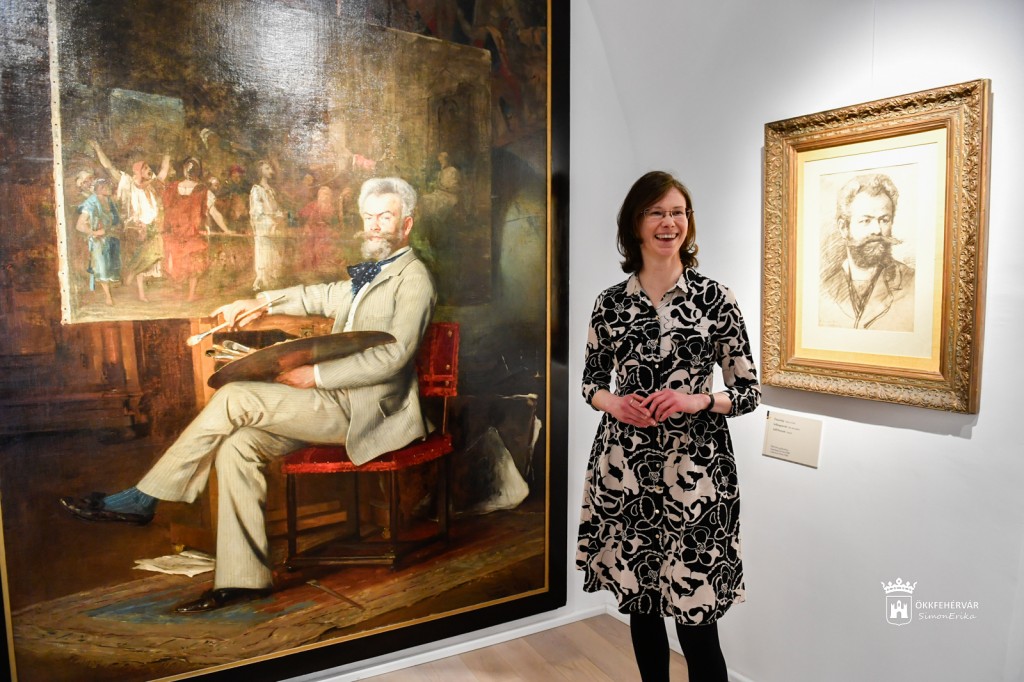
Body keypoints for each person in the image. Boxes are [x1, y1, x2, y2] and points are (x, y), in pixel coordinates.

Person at [60, 177, 436, 613]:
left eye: (385, 217)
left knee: (235, 396)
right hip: (335, 404)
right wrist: (257, 303)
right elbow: (319, 295)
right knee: (237, 446)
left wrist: (315, 374)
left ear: (406, 224)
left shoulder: (415, 279)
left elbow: (393, 358)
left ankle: (145, 498)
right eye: (369, 217)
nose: (374, 226)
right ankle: (244, 579)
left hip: (370, 412)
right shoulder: (371, 273)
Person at [577, 171, 760, 682]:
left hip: (697, 475)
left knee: (697, 622)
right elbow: (590, 382)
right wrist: (615, 404)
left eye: (678, 212)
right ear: (634, 224)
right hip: (625, 471)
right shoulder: (610, 302)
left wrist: (696, 399)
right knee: (642, 608)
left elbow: (748, 392)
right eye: (656, 212)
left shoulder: (716, 299)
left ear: (689, 222)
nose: (669, 223)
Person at [819, 173, 915, 330]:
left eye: (884, 220)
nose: (877, 230)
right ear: (844, 228)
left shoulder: (913, 283)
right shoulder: (824, 289)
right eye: (866, 220)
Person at [90, 140, 171, 301]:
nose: (149, 170)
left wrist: (167, 154)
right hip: (135, 227)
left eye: (149, 168)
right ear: (138, 171)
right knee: (141, 255)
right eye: (145, 168)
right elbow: (109, 168)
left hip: (151, 226)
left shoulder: (152, 185)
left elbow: (163, 171)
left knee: (154, 253)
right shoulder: (128, 183)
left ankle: (134, 278)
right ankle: (138, 288)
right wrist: (98, 149)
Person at [162, 157, 233, 302]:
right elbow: (165, 210)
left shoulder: (200, 190)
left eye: (192, 167)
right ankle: (184, 294)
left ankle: (189, 295)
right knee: (184, 264)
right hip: (180, 234)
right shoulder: (176, 188)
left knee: (192, 263)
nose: (190, 170)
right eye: (190, 166)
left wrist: (226, 230)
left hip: (189, 233)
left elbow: (214, 213)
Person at [75, 177, 122, 306]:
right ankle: (108, 296)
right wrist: (95, 233)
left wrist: (115, 227)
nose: (111, 188)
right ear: (100, 188)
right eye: (108, 186)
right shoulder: (91, 202)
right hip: (98, 241)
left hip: (111, 237)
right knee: (102, 267)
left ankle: (110, 292)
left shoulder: (109, 201)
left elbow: (116, 219)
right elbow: (79, 225)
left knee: (112, 265)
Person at [249, 159, 286, 290]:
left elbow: (276, 208)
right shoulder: (257, 190)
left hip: (274, 226)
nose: (271, 171)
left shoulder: (271, 190)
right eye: (267, 169)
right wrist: (272, 221)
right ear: (260, 171)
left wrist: (279, 216)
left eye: (271, 168)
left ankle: (273, 282)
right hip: (264, 227)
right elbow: (257, 212)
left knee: (274, 254)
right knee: (264, 255)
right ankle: (263, 282)